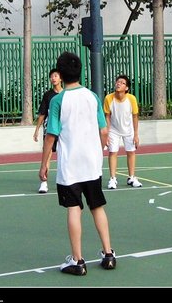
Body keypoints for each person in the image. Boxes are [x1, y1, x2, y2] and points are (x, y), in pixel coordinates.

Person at [39, 51, 116, 275]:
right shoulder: (92, 97)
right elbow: (104, 131)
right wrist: (97, 150)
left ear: (60, 75)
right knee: (97, 206)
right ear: (80, 71)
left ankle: (78, 260)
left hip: (70, 165)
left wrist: (43, 165)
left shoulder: (58, 100)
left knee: (74, 208)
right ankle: (108, 254)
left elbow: (51, 136)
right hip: (92, 163)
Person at [104, 74, 142, 189]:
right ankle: (112, 179)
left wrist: (136, 134)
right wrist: (107, 134)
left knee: (131, 152)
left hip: (128, 130)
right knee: (113, 152)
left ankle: (131, 177)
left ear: (126, 88)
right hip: (114, 130)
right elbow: (107, 116)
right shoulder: (108, 98)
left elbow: (135, 116)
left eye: (122, 83)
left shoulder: (131, 99)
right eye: (118, 82)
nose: (119, 84)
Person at [33, 68, 63, 193]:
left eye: (56, 76)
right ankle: (44, 182)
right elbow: (42, 113)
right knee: (47, 154)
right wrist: (37, 129)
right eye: (51, 76)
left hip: (63, 129)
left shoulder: (66, 94)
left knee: (63, 154)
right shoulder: (48, 95)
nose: (53, 78)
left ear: (61, 78)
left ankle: (64, 180)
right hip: (50, 128)